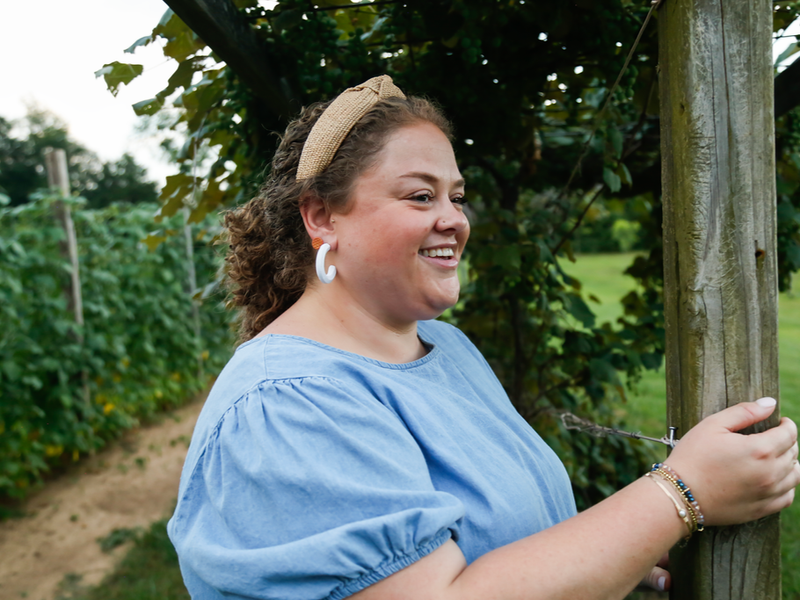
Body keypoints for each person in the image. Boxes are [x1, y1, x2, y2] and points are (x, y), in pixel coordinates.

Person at [167, 75, 800, 600]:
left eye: (457, 195)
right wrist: (680, 494)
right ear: (321, 216)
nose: (455, 220)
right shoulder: (287, 405)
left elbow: (507, 547)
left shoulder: (447, 349)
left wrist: (616, 551)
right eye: (420, 196)